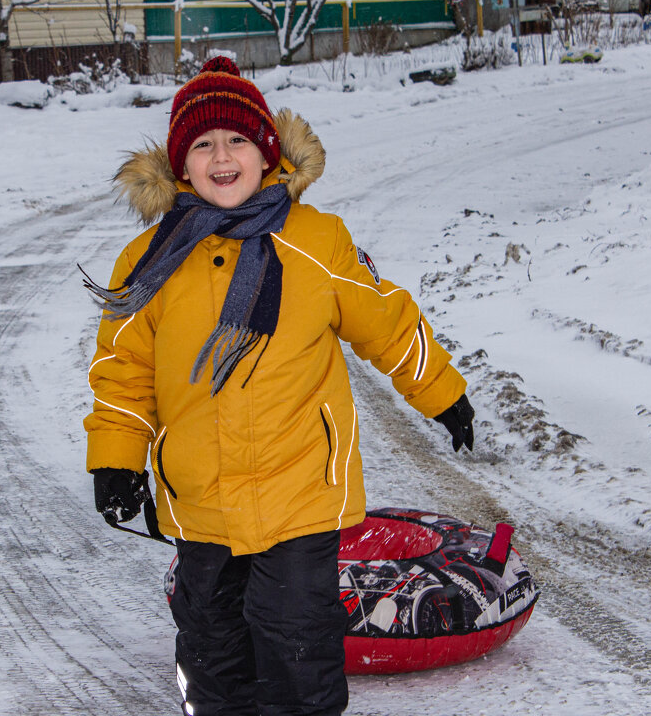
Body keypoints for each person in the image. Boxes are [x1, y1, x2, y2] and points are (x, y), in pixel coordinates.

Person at [82, 56, 475, 716]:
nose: (222, 157)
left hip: (302, 492)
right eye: (203, 145)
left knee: (297, 646)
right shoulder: (149, 259)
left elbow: (385, 321)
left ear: (268, 154)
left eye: (237, 140)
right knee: (210, 649)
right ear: (181, 166)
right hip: (199, 497)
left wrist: (441, 391)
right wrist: (117, 459)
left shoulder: (317, 241)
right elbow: (124, 371)